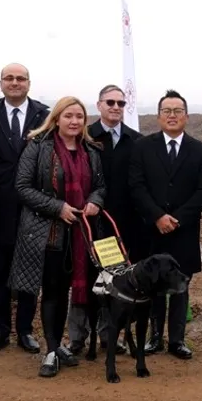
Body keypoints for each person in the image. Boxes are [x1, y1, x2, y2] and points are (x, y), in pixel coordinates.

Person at [8, 97, 106, 377]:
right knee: (53, 292)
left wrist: (95, 201)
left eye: (79, 117)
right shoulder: (38, 147)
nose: (74, 121)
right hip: (50, 233)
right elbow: (23, 187)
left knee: (74, 290)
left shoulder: (91, 150)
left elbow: (100, 186)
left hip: (82, 235)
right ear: (56, 119)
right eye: (68, 116)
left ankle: (61, 343)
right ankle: (51, 350)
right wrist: (57, 207)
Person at [128, 89, 202, 359]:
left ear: (186, 116)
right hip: (151, 229)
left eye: (177, 111)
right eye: (167, 111)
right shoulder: (142, 147)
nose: (172, 115)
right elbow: (136, 186)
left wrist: (178, 218)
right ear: (158, 116)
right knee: (152, 285)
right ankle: (154, 338)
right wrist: (157, 216)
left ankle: (177, 340)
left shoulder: (200, 151)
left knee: (180, 285)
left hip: (183, 230)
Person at [0, 63, 49, 354]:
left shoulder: (44, 116)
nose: (15, 83)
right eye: (10, 78)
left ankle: (25, 331)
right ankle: (1, 331)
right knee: (1, 274)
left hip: (34, 208)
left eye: (21, 78)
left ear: (29, 83)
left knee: (30, 273)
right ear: (1, 83)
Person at [67, 84, 142, 357]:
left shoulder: (136, 141)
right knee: (81, 280)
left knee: (113, 284)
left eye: (121, 103)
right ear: (98, 105)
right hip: (84, 223)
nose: (115, 107)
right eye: (110, 102)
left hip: (118, 226)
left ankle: (109, 336)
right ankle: (77, 337)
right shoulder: (85, 139)